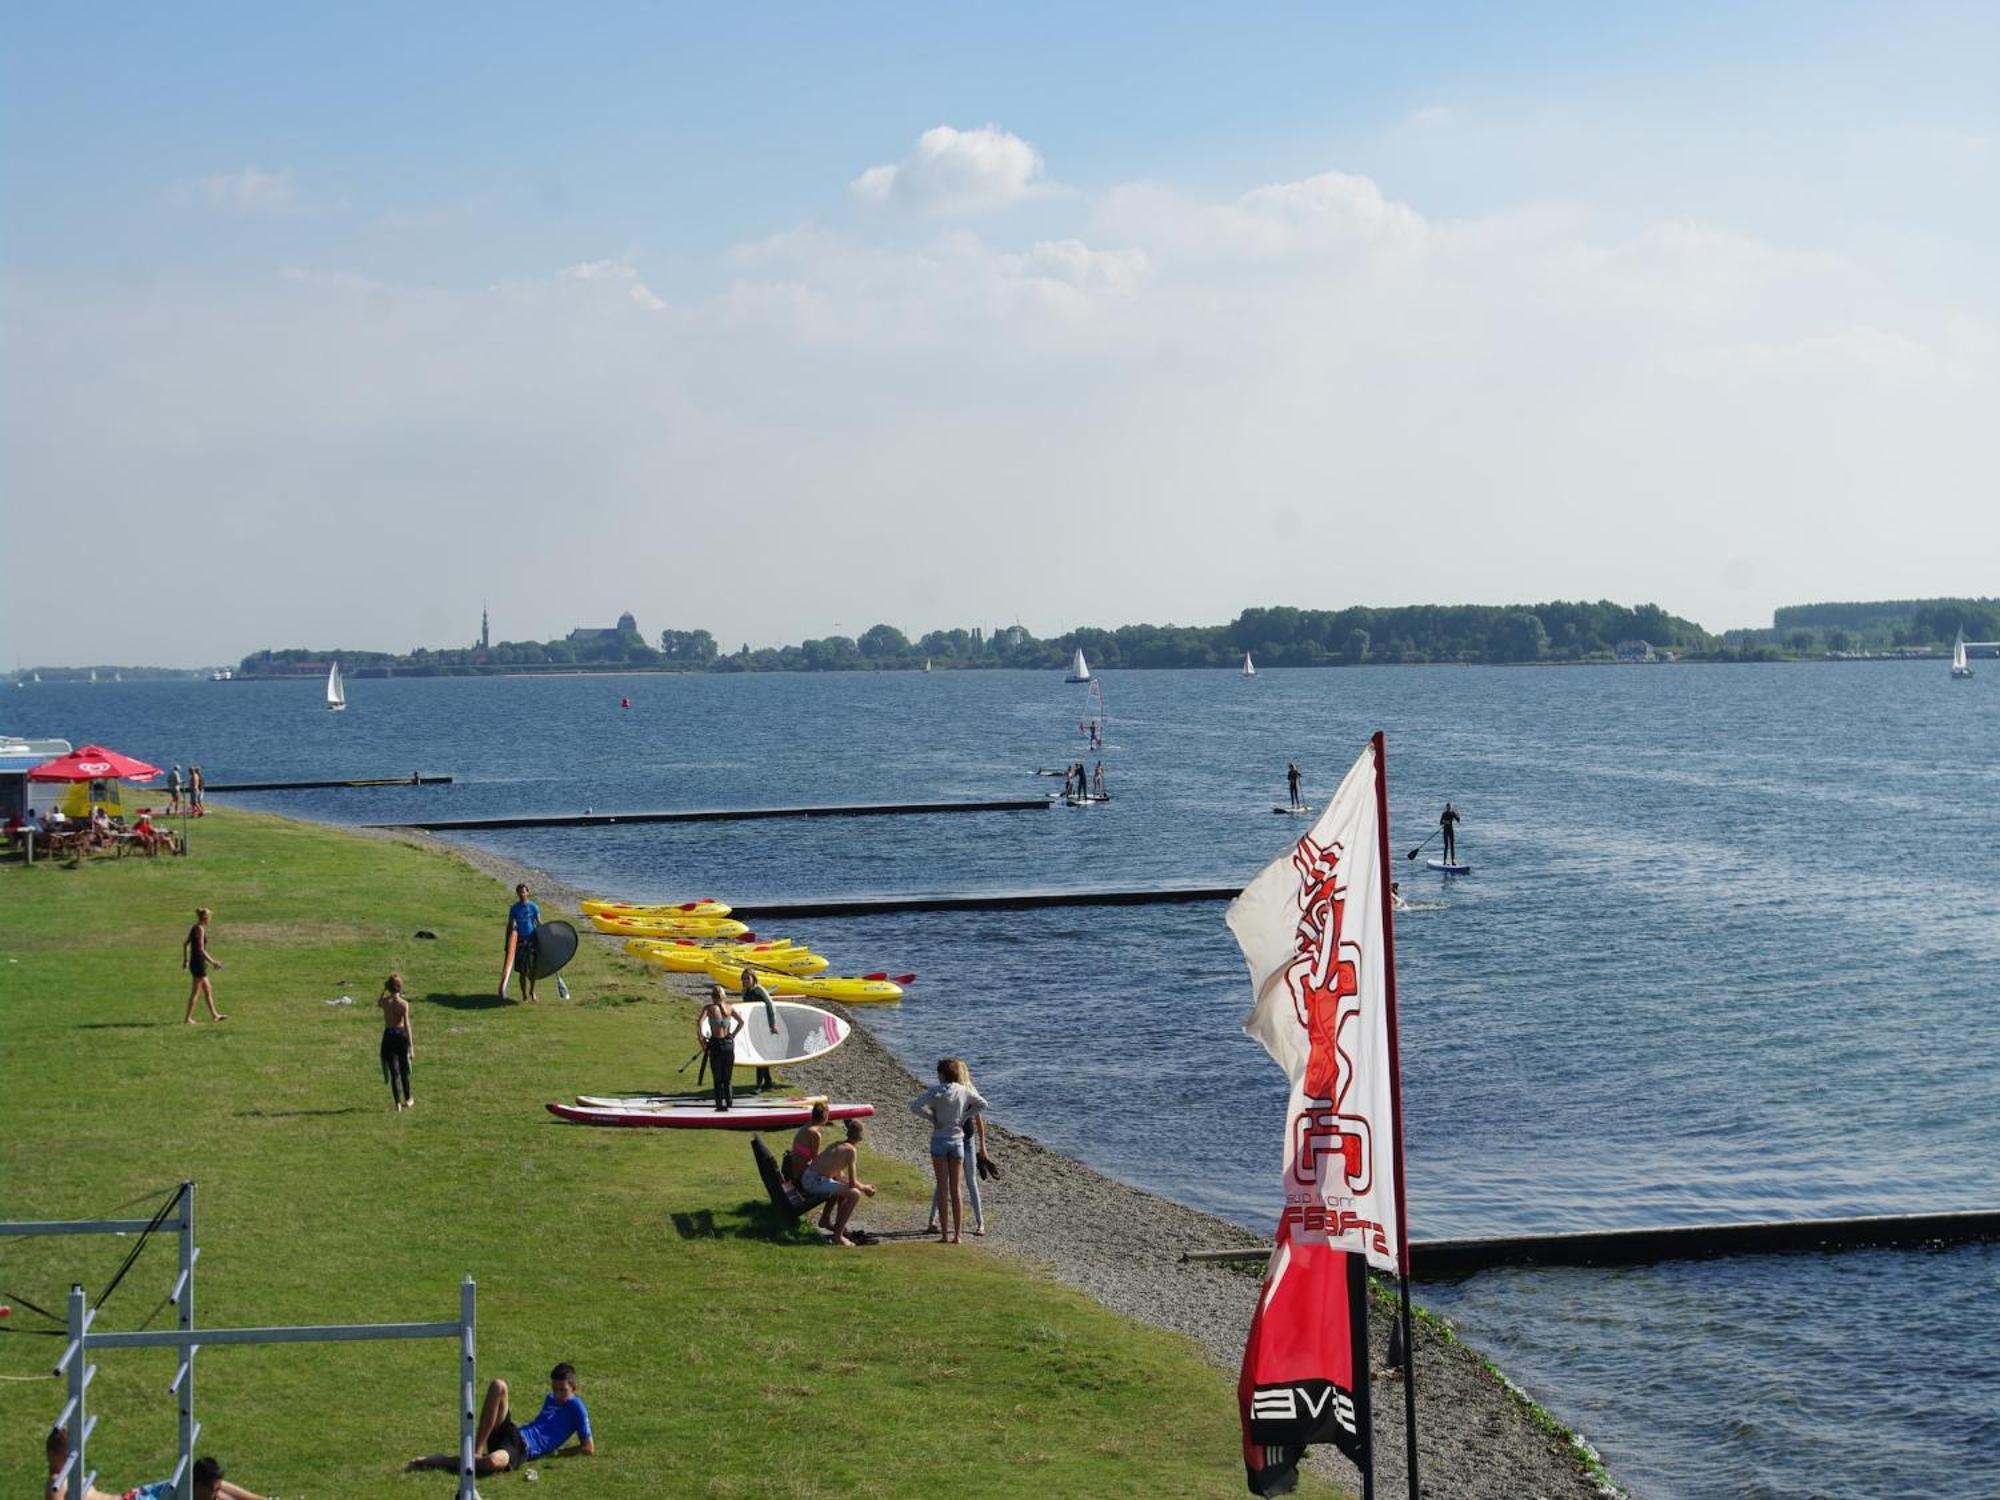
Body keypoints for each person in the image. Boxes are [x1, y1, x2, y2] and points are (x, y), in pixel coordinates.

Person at [407, 1362, 594, 1478]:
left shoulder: (577, 1407)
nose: (557, 1394)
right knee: (498, 1385)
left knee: (493, 1463)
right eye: (555, 1389)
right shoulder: (550, 1398)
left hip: (523, 1450)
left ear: (574, 1388)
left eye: (563, 1390)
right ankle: (476, 1451)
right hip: (516, 1434)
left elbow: (588, 1448)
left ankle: (440, 1460)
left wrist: (556, 1454)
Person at [45, 1427, 265, 1500]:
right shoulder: (57, 1482)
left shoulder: (67, 1477)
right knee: (196, 1488)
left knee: (197, 1483)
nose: (76, 1457)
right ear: (54, 1454)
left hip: (132, 1497)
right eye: (70, 1453)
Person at [910, 1057, 987, 1245]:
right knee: (957, 1188)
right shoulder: (964, 1091)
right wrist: (964, 1116)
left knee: (942, 1187)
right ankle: (957, 1235)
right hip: (958, 1141)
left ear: (941, 1075)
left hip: (939, 1140)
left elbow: (914, 1106)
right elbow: (983, 1104)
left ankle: (944, 1234)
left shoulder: (935, 1091)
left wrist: (931, 1118)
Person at [927, 1060, 993, 1238]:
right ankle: (932, 1220)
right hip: (951, 1136)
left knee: (968, 1180)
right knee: (944, 1182)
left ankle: (980, 1223)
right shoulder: (946, 1090)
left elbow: (979, 1119)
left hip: (966, 1138)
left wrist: (983, 1146)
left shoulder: (967, 1089)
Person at [799, 1119, 875, 1246]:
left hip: (808, 1178)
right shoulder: (851, 1151)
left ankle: (825, 1221)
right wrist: (865, 1188)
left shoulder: (837, 1144)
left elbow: (840, 1178)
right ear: (860, 1137)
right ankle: (837, 1236)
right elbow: (852, 1183)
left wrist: (861, 1185)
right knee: (855, 1194)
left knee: (840, 1187)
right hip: (814, 1182)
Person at [788, 1101, 837, 1230]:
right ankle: (826, 1220)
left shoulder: (805, 1127)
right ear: (825, 1116)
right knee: (838, 1185)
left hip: (797, 1174)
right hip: (802, 1180)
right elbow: (816, 1160)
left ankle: (827, 1220)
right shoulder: (815, 1133)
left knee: (836, 1177)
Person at [698, 983, 742, 1111]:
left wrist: (702, 1039)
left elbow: (699, 1022)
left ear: (713, 997)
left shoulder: (709, 1008)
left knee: (717, 1078)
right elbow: (741, 1022)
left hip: (716, 1044)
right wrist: (732, 1035)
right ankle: (729, 1102)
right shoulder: (729, 1007)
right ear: (724, 996)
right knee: (727, 1077)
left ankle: (719, 1105)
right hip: (728, 1044)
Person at [182, 907, 227, 1024]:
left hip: (196, 963)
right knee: (196, 992)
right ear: (205, 918)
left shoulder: (194, 928)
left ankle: (214, 1015)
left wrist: (186, 960)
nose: (210, 920)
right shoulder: (200, 930)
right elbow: (201, 950)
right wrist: (213, 962)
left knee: (208, 989)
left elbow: (185, 944)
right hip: (198, 965)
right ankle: (187, 1019)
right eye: (210, 918)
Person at [738, 966, 778, 1092]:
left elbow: (771, 1006)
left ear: (753, 978)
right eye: (743, 979)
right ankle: (768, 1082)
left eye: (747, 978)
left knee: (758, 1055)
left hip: (763, 1026)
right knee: (760, 1054)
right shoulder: (744, 992)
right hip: (752, 1026)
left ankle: (759, 1085)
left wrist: (772, 1024)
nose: (745, 981)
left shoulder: (760, 990)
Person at [378, 974, 414, 1111]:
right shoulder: (403, 1004)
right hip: (400, 1035)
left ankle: (397, 1102)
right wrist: (411, 1046)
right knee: (404, 1069)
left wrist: (384, 990)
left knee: (394, 1072)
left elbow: (378, 1002)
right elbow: (407, 1025)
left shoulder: (386, 1002)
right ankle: (408, 1098)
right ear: (399, 987)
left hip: (388, 1035)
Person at [503, 882, 541, 1002]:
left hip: (532, 940)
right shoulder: (514, 909)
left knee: (533, 970)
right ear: (517, 894)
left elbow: (539, 923)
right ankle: (524, 994)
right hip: (520, 941)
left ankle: (532, 991)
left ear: (528, 893)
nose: (522, 894)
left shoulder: (534, 907)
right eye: (519, 892)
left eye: (524, 892)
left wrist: (548, 936)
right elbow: (510, 926)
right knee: (522, 972)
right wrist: (507, 943)